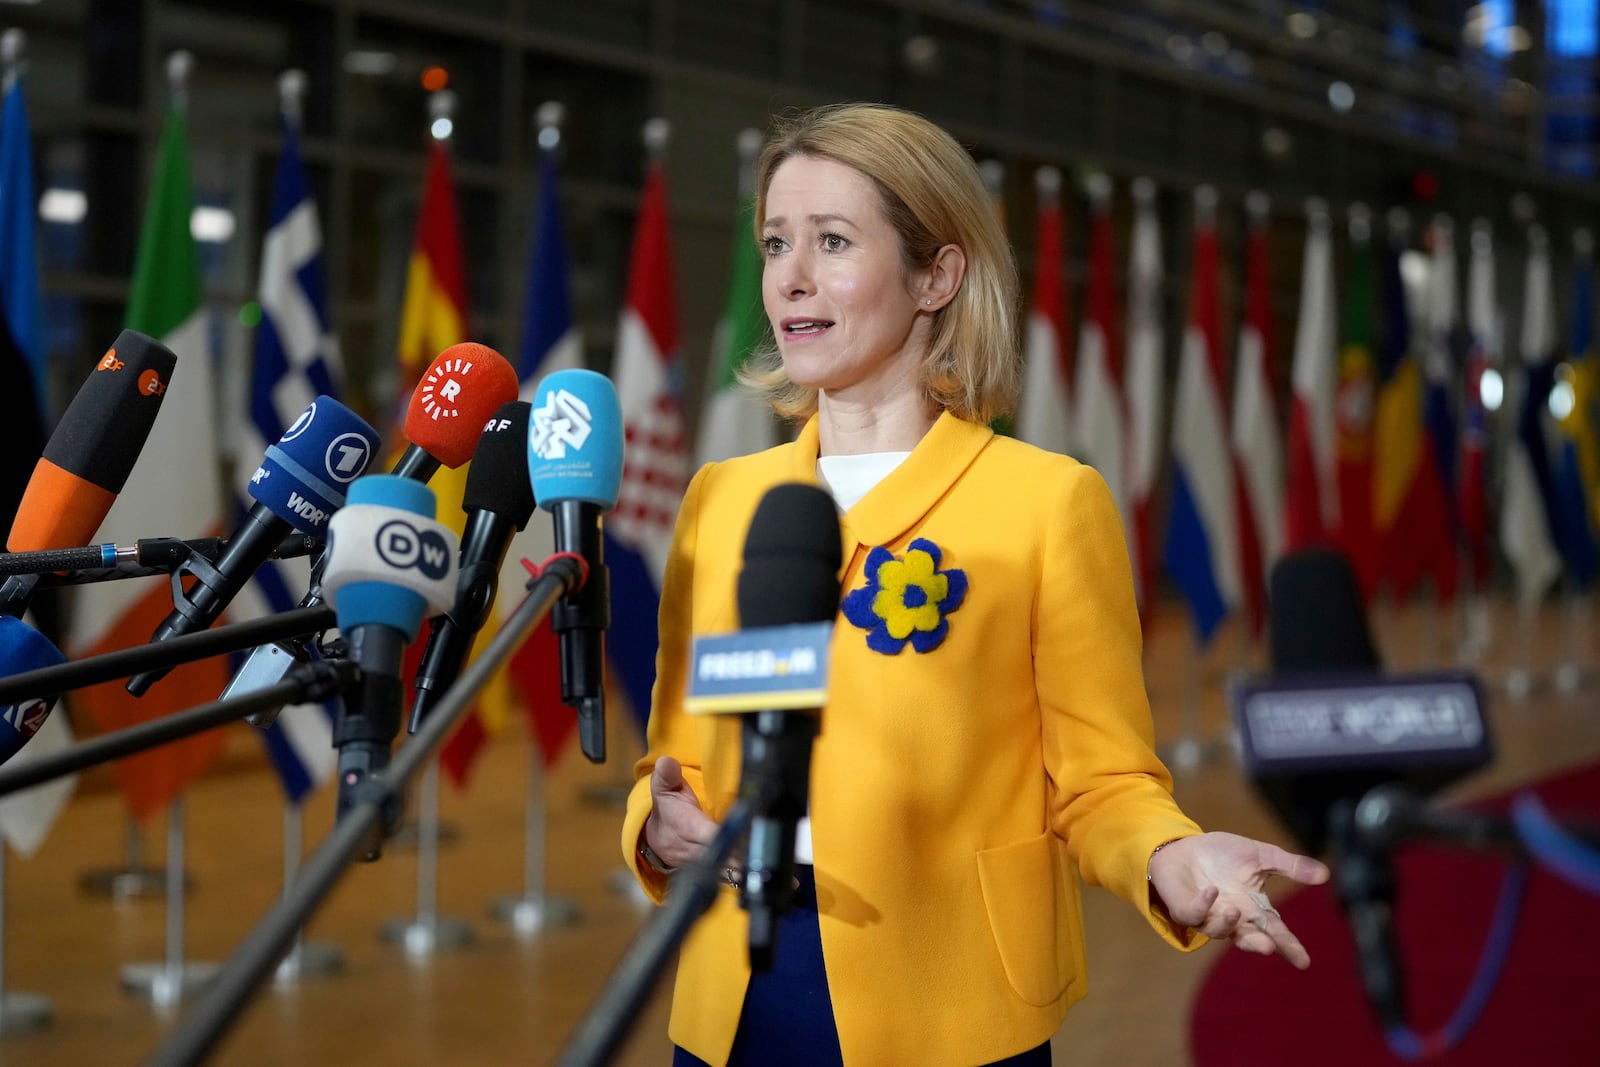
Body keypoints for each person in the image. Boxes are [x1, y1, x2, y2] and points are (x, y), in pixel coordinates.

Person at [622, 102, 1329, 1067]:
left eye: (833, 241)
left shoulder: (1046, 502)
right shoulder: (721, 500)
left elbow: (1103, 781)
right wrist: (658, 828)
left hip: (953, 1009)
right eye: (776, 241)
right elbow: (675, 763)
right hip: (732, 999)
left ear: (937, 275)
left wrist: (1171, 853)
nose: (789, 276)